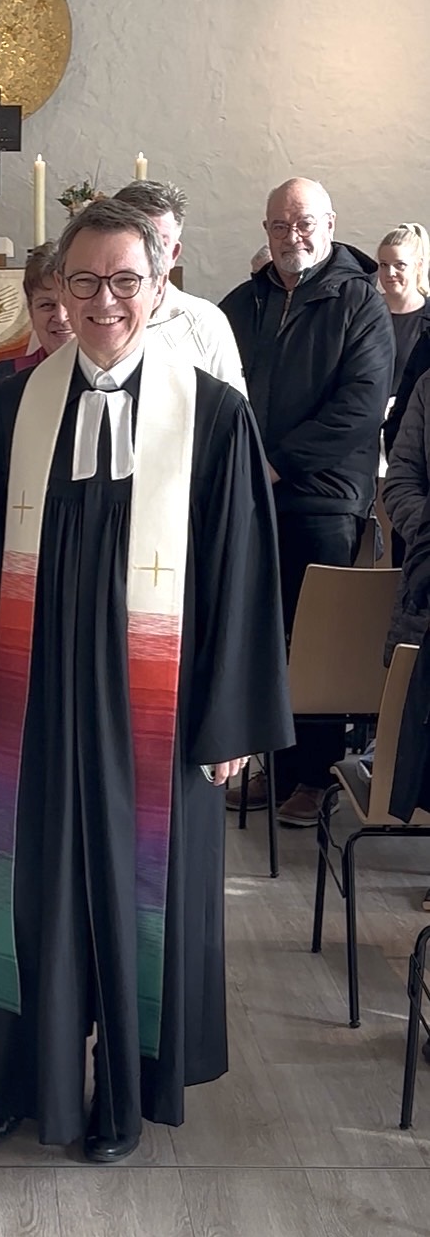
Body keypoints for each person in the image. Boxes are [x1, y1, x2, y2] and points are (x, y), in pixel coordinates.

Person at [0, 198, 292, 1162]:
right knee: (27, 885)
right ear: (57, 289)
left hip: (158, 708)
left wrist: (230, 722)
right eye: (84, 281)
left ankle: (121, 1096)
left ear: (159, 286)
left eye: (125, 281)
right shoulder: (13, 405)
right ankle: (13, 1078)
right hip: (36, 697)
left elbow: (243, 576)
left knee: (139, 893)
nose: (103, 302)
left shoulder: (212, 414)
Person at [220, 178, 394, 827]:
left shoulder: (359, 300)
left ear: (329, 224)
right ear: (265, 231)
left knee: (315, 640)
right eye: (279, 225)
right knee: (264, 637)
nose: (291, 236)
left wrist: (277, 462)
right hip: (251, 495)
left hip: (322, 500)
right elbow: (215, 383)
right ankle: (276, 766)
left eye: (303, 223)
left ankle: (318, 775)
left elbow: (361, 405)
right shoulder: (247, 301)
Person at [113, 181, 246, 392]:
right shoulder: (89, 315)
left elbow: (234, 408)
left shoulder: (207, 322)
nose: (147, 255)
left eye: (160, 243)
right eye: (136, 240)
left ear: (174, 253)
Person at [0, 243, 72, 401]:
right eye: (46, 305)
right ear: (31, 311)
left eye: (69, 303)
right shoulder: (4, 379)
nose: (60, 317)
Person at [377, 223, 430, 398]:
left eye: (400, 265)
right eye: (384, 264)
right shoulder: (366, 311)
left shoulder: (427, 318)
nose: (390, 272)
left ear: (418, 266)